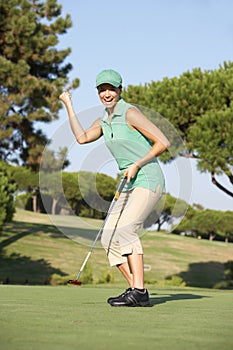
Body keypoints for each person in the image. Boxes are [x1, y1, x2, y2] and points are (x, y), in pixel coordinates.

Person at [59, 69, 170, 307]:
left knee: (126, 229)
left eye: (111, 89)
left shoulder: (130, 113)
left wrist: (137, 164)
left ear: (120, 90)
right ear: (98, 93)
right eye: (102, 89)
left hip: (148, 178)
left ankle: (138, 291)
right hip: (128, 183)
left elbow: (163, 141)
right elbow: (81, 138)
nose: (106, 94)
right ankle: (136, 289)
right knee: (108, 237)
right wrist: (69, 104)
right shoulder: (104, 120)